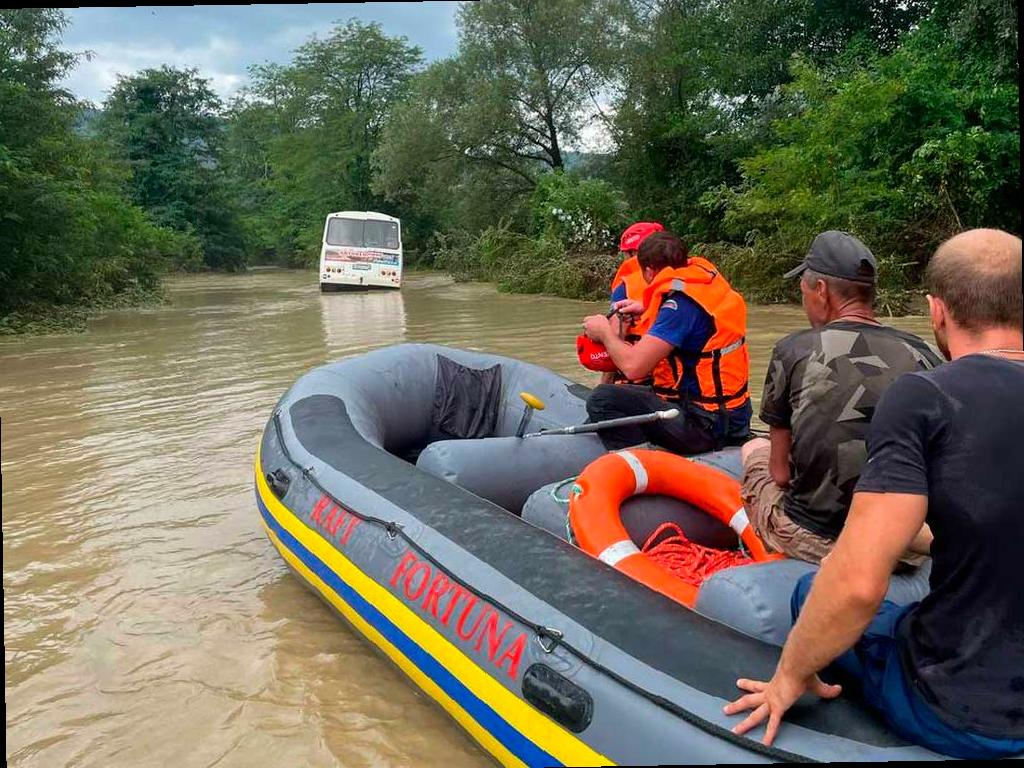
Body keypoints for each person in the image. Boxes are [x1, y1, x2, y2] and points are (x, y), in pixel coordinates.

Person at [723, 228, 1024, 759]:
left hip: (967, 711)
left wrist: (789, 676)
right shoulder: (920, 363)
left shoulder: (924, 399)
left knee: (810, 590)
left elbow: (859, 586)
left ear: (936, 311)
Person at [739, 231, 942, 564]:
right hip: (906, 543)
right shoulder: (924, 351)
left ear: (821, 290)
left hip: (818, 537)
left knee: (753, 449)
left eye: (803, 291)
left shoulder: (793, 349)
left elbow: (780, 475)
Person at [582, 231, 751, 454]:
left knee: (601, 399)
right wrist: (645, 309)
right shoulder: (702, 286)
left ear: (649, 271)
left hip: (706, 426)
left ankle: (642, 463)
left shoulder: (679, 308)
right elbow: (692, 321)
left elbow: (633, 367)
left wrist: (604, 331)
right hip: (731, 417)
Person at [603, 221, 665, 385]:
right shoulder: (678, 277)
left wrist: (603, 386)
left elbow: (615, 336)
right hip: (675, 379)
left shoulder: (625, 286)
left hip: (640, 377)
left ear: (631, 253)